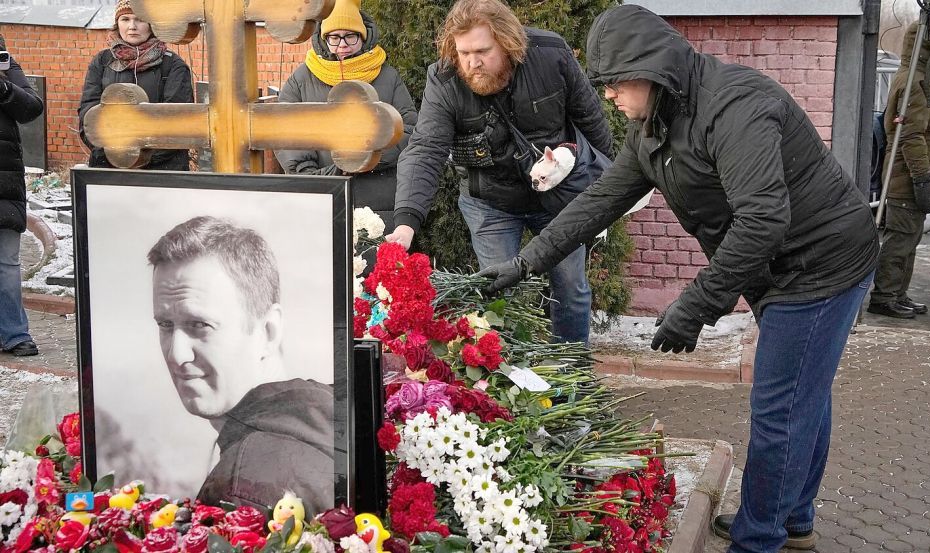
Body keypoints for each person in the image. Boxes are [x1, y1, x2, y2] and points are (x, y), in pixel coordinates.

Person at [477, 6, 878, 552]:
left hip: (822, 263)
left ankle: (758, 539)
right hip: (774, 267)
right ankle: (793, 519)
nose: (610, 98)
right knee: (801, 392)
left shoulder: (735, 106)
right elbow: (599, 201)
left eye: (614, 83)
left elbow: (763, 218)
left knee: (781, 405)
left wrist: (694, 306)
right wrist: (527, 262)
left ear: (650, 67)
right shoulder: (654, 126)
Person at [386, 0, 612, 345]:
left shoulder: (550, 54)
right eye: (463, 52)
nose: (472, 63)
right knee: (501, 297)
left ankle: (572, 378)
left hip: (559, 198)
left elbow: (591, 119)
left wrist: (607, 188)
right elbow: (426, 149)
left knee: (571, 289)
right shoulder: (445, 79)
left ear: (507, 42)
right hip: (489, 202)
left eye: (482, 51)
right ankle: (514, 391)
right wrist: (406, 221)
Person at [148, 216, 335, 512]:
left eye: (199, 324)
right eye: (165, 325)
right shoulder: (327, 416)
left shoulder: (244, 490)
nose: (176, 354)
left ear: (268, 330)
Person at [274, 0, 417, 235]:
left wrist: (367, 156)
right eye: (334, 37)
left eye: (351, 36)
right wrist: (327, 175)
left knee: (375, 268)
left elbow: (409, 129)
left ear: (363, 37)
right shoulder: (301, 79)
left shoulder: (388, 77)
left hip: (380, 202)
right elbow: (286, 131)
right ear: (323, 38)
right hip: (322, 196)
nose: (343, 45)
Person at [869, 21, 930, 318]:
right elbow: (909, 135)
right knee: (899, 241)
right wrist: (922, 179)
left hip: (910, 179)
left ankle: (897, 293)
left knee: (909, 241)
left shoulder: (923, 79)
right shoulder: (915, 84)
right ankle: (884, 296)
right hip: (906, 180)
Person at [78, 0, 193, 170]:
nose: (132, 26)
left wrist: (143, 157)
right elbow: (89, 112)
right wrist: (112, 153)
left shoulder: (172, 65)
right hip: (110, 165)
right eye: (125, 19)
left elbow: (178, 119)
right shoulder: (102, 62)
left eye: (139, 19)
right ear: (117, 23)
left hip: (162, 170)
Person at [0, 36, 44, 357]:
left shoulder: (5, 63)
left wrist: (4, 89)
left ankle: (15, 333)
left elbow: (32, 107)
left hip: (5, 181)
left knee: (7, 262)